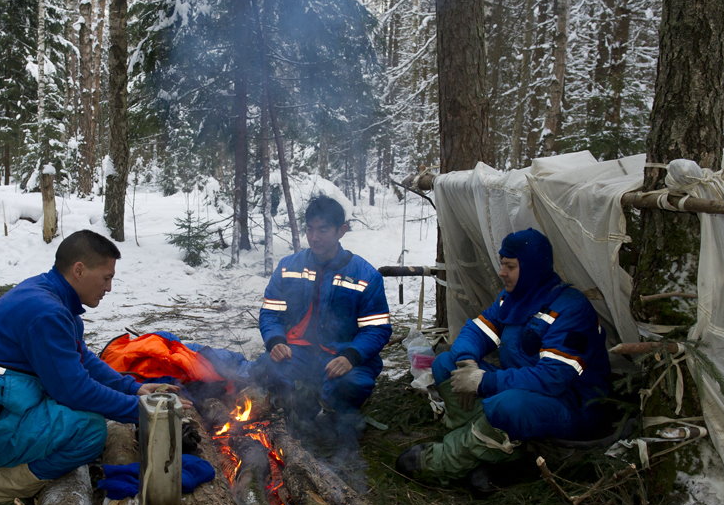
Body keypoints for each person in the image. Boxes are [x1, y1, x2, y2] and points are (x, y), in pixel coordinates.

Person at [0, 230, 173, 505]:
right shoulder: (46, 312)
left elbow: (82, 361)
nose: (109, 287)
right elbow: (75, 390)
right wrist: (142, 412)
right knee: (89, 430)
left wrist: (134, 390)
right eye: (106, 278)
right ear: (79, 270)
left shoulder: (50, 295)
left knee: (74, 411)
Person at [396, 228, 612, 488]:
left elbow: (554, 378)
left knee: (507, 405)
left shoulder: (570, 308)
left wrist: (484, 382)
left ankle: (448, 460)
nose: (502, 272)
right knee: (446, 363)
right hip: (528, 391)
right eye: (502, 264)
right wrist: (468, 362)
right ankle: (484, 450)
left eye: (510, 266)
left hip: (572, 405)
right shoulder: (511, 300)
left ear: (532, 268)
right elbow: (476, 330)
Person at [253, 195, 392, 438]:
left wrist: (351, 356)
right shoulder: (289, 267)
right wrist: (275, 341)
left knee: (352, 384)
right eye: (310, 229)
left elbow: (377, 329)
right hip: (299, 352)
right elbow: (270, 313)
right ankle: (298, 407)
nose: (314, 237)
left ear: (342, 231)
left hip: (341, 353)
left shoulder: (365, 275)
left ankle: (337, 414)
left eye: (323, 230)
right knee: (267, 367)